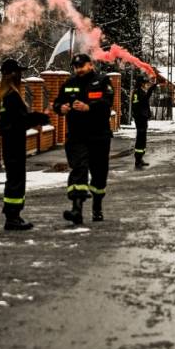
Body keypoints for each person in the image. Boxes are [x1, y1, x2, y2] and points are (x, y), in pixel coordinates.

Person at [53, 54, 114, 224]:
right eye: (75, 66)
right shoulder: (69, 84)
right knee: (79, 168)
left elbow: (107, 103)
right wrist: (61, 108)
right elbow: (57, 102)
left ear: (90, 65)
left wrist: (89, 107)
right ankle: (76, 209)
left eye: (81, 65)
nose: (78, 69)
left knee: (99, 173)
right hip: (76, 136)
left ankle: (97, 206)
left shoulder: (102, 81)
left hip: (99, 136)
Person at [0, 58, 51, 231]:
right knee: (16, 180)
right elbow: (21, 121)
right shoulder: (12, 96)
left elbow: (10, 123)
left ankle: (13, 215)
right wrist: (41, 117)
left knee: (13, 179)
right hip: (14, 144)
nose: (21, 75)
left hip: (10, 144)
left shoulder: (3, 97)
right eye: (19, 72)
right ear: (12, 75)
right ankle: (13, 217)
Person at [132, 75, 159, 169]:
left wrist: (147, 114)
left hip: (142, 118)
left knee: (142, 138)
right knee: (140, 138)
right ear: (141, 84)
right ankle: (138, 160)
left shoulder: (139, 91)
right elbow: (143, 101)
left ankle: (140, 158)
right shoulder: (138, 92)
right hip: (140, 119)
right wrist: (151, 89)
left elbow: (143, 103)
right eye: (145, 83)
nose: (146, 85)